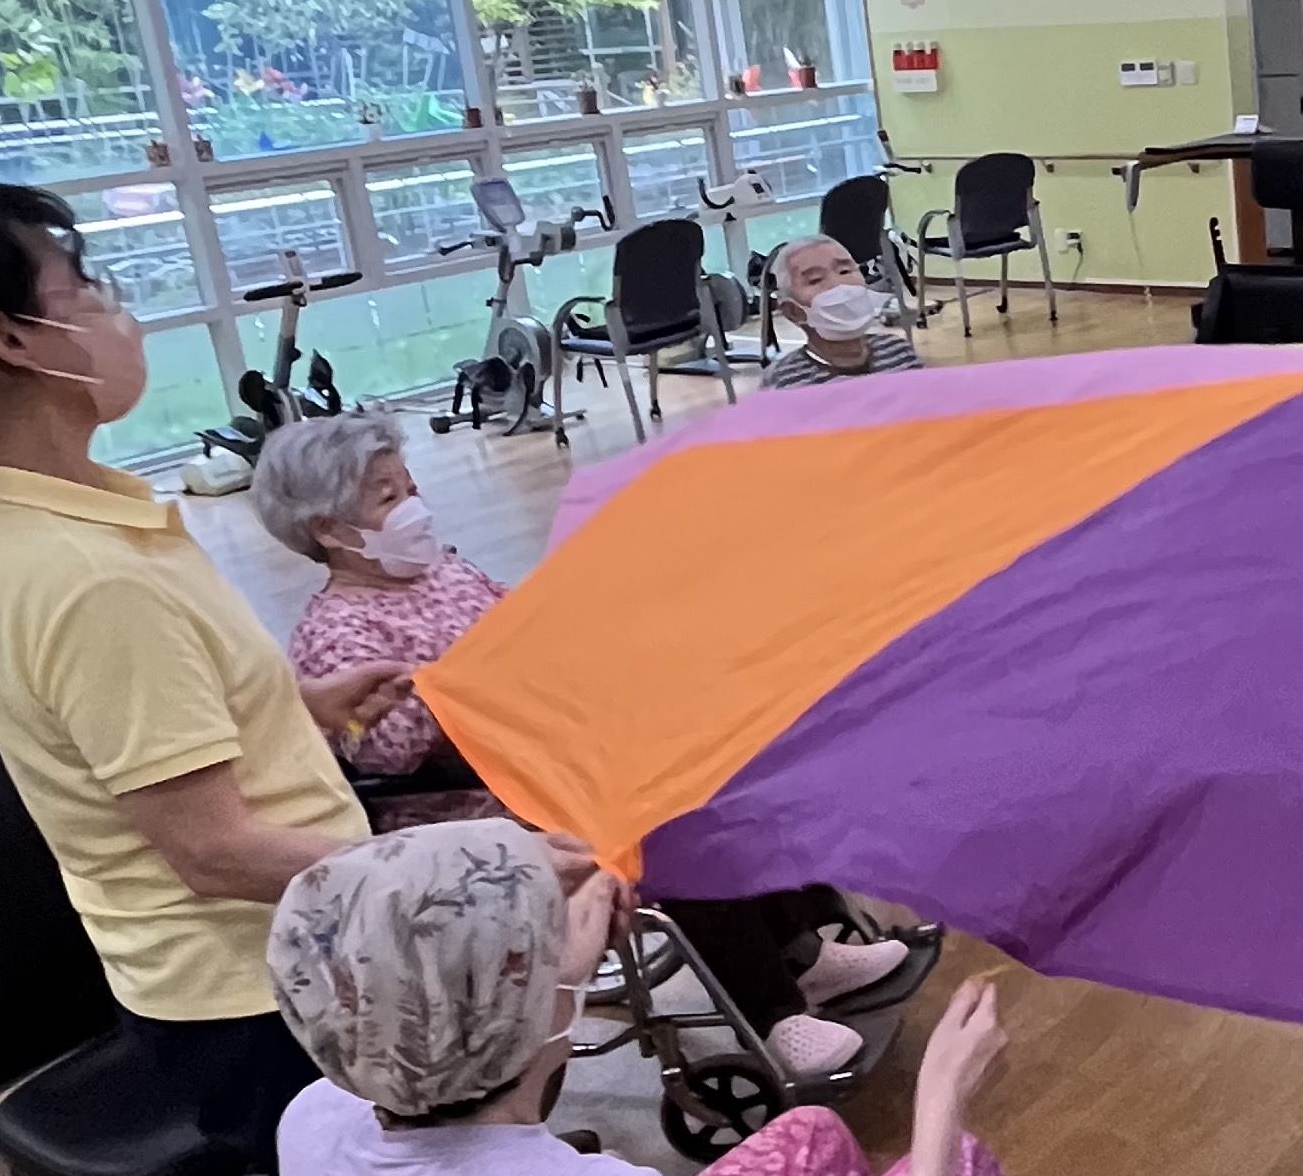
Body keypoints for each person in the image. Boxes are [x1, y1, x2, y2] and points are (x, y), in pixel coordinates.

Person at [0, 178, 478, 1174]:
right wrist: (460, 876)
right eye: (84, 289)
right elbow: (214, 851)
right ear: (11, 338)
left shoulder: (11, 510)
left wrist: (285, 708)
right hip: (263, 992)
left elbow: (120, 717)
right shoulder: (85, 571)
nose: (114, 312)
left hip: (251, 958)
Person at [266, 820, 1130, 1176]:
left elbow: (477, 1045)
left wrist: (540, 939)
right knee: (955, 1170)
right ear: (534, 1014)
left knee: (811, 1138)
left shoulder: (311, 1122)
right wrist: (937, 1104)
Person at [251, 413, 903, 1080]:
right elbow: (384, 752)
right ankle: (772, 1014)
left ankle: (804, 951)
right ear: (328, 529)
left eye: (410, 486)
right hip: (478, 806)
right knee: (662, 821)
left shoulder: (444, 573)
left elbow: (528, 627)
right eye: (388, 497)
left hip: (557, 757)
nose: (412, 506)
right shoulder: (337, 632)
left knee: (725, 759)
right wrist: (471, 687)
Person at [762, 234, 919, 388]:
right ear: (793, 311)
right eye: (815, 280)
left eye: (845, 271)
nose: (839, 284)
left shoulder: (899, 352)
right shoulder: (784, 381)